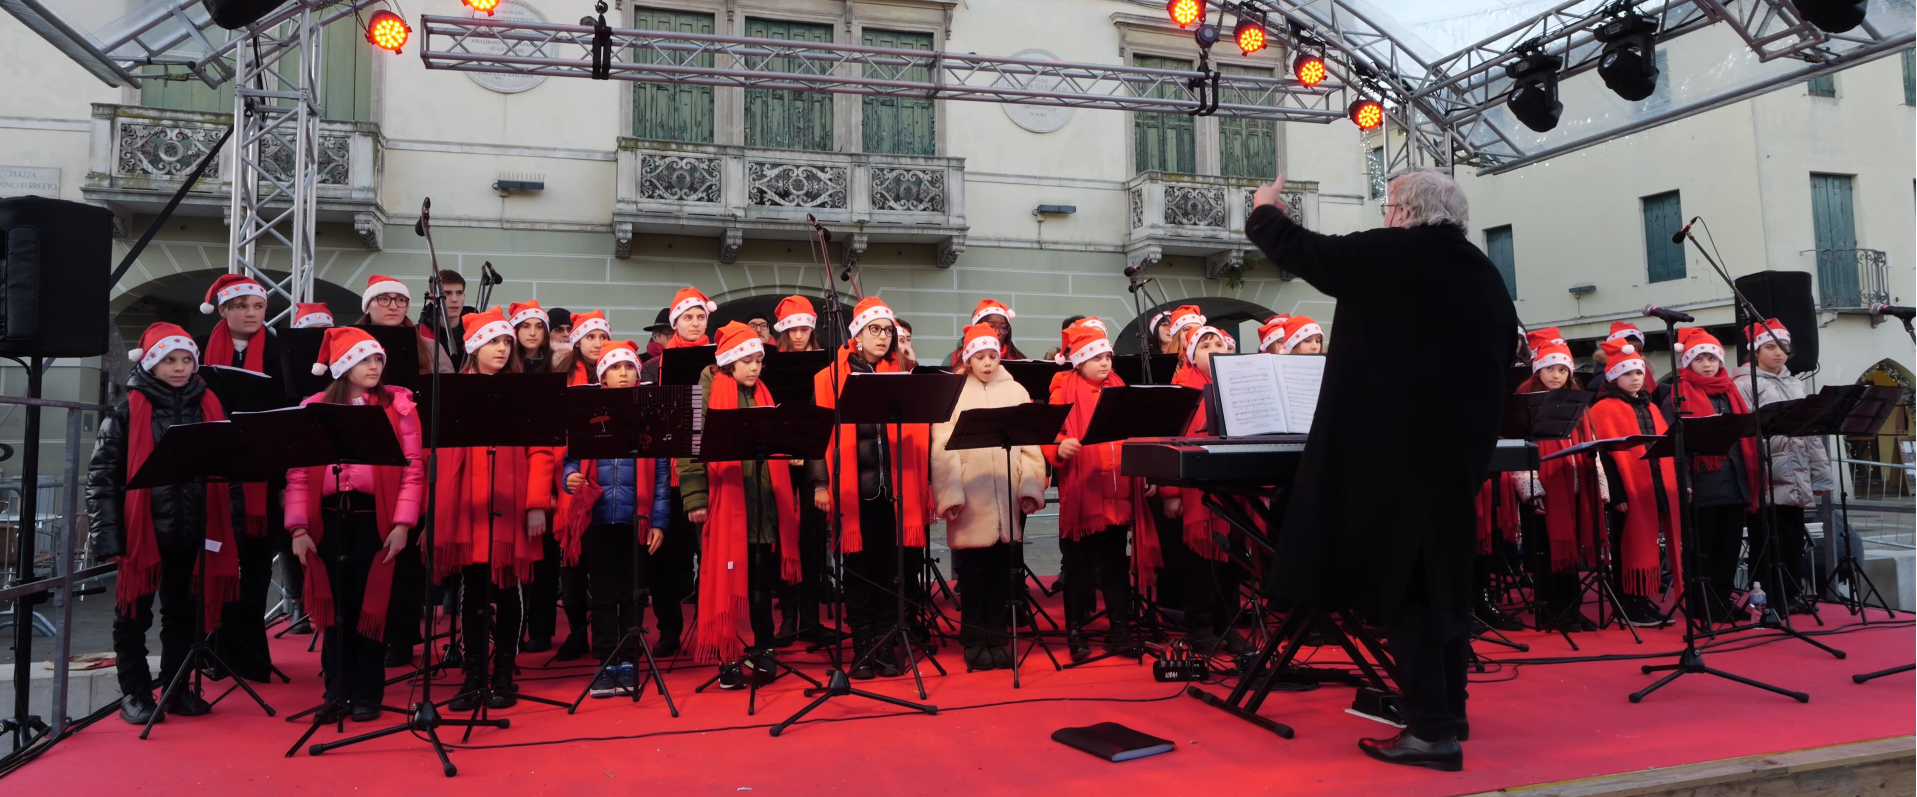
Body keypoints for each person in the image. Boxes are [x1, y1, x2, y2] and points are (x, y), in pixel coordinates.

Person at [1246, 168, 1518, 770]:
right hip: (1458, 459)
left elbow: (1303, 251)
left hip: (1395, 457)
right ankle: (1450, 710)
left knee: (1407, 589)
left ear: (1403, 212)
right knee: (1444, 582)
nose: (1387, 216)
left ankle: (1430, 733)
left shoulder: (1392, 253)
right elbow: (1506, 354)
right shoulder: (1483, 273)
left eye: (1390, 207)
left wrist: (1265, 210)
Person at [89, 323, 245, 725]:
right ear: (151, 363)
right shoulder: (126, 412)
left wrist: (233, 529)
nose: (179, 368)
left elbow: (229, 475)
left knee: (183, 616)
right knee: (133, 618)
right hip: (142, 535)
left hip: (193, 531)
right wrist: (107, 537)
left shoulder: (209, 406)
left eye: (186, 360)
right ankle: (135, 692)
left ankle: (176, 688)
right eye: (169, 360)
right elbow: (102, 478)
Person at [283, 327, 426, 722]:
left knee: (370, 608)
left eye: (378, 359)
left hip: (374, 519)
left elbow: (412, 471)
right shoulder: (314, 408)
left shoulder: (398, 407)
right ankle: (336, 692)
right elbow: (298, 474)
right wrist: (298, 529)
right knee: (335, 610)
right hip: (328, 519)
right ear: (344, 366)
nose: (375, 366)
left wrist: (403, 525)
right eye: (365, 360)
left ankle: (367, 693)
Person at [807, 297, 932, 679]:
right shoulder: (829, 378)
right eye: (874, 329)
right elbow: (816, 435)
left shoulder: (901, 376)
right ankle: (862, 645)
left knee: (892, 570)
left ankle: (885, 642)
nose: (882, 337)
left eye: (887, 330)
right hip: (853, 493)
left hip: (894, 491)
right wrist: (821, 483)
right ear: (856, 336)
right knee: (859, 572)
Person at [433, 307, 552, 710]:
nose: (501, 349)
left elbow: (540, 451)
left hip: (511, 507)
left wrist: (536, 505)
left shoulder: (523, 392)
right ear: (474, 347)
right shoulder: (454, 392)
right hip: (468, 509)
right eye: (492, 342)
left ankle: (503, 672)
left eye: (505, 342)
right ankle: (473, 674)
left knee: (509, 590)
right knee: (473, 594)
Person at [682, 323, 802, 687]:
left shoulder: (764, 394)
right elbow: (691, 451)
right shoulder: (705, 393)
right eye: (747, 360)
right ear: (729, 362)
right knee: (728, 580)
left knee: (761, 586)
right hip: (725, 507)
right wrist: (696, 498)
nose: (754, 367)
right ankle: (728, 655)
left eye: (758, 360)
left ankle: (764, 649)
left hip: (761, 507)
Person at [931, 325, 1046, 671]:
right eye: (979, 356)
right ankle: (974, 639)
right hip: (971, 497)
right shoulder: (954, 393)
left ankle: (998, 638)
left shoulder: (1016, 390)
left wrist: (1030, 487)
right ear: (968, 358)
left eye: (992, 356)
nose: (987, 363)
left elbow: (1031, 447)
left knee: (1001, 572)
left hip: (1006, 497)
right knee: (973, 573)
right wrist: (950, 492)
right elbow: (942, 448)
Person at [561, 341, 672, 696]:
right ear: (602, 375)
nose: (622, 374)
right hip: (597, 519)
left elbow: (661, 475)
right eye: (614, 368)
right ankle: (606, 659)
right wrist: (570, 477)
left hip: (636, 520)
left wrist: (659, 521)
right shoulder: (587, 412)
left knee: (633, 594)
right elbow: (570, 459)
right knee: (603, 594)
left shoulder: (649, 413)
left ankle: (629, 659)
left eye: (628, 368)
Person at [1047, 323, 1151, 661]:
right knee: (1078, 566)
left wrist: (1145, 470)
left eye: (1108, 356)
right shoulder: (1063, 389)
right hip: (1084, 491)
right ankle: (1075, 631)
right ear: (1079, 361)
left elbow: (1136, 433)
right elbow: (1050, 432)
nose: (1105, 362)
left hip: (1117, 491)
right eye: (1096, 357)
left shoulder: (1119, 387)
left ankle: (1120, 630)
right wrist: (1059, 447)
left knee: (1115, 565)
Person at [192, 275, 279, 682]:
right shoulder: (197, 351)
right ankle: (213, 650)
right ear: (224, 310)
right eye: (242, 306)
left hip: (262, 477)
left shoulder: (278, 352)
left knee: (257, 571)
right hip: (214, 478)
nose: (251, 313)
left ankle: (251, 657)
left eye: (258, 307)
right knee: (214, 566)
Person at [1155, 320, 1248, 653]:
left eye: (1219, 345)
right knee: (1201, 565)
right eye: (1206, 346)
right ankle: (1200, 627)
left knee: (1232, 562)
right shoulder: (1182, 390)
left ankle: (1228, 626)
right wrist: (1170, 493)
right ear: (1192, 355)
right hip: (1197, 490)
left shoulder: (1236, 385)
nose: (1215, 351)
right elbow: (1168, 443)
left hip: (1231, 485)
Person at [1662, 327, 1761, 623]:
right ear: (1688, 362)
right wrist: (1685, 482)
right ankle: (1701, 601)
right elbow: (1671, 446)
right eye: (1700, 359)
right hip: (1702, 485)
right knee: (1702, 549)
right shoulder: (1677, 395)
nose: (1707, 364)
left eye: (1712, 358)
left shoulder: (1731, 391)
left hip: (1734, 482)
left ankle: (1722, 598)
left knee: (1729, 547)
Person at [638, 287, 717, 658]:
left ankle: (712, 630)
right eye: (688, 317)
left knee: (711, 555)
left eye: (700, 316)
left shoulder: (719, 362)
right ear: (674, 324)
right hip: (668, 472)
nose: (695, 323)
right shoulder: (652, 368)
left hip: (708, 468)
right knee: (666, 560)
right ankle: (669, 630)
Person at [1734, 318, 1832, 615]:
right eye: (1771, 347)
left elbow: (1810, 434)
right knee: (1766, 538)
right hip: (1767, 471)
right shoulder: (1744, 384)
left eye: (1783, 347)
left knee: (1792, 537)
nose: (1779, 352)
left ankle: (1792, 592)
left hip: (1796, 470)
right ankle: (1768, 596)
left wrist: (1820, 475)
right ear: (1755, 351)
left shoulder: (1795, 383)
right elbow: (1744, 430)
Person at [1511, 341, 1607, 630]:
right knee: (1547, 550)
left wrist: (1600, 485)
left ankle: (1572, 607)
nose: (1556, 375)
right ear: (1538, 370)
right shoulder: (1525, 401)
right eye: (1550, 368)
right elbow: (1517, 448)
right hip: (1544, 487)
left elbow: (1590, 443)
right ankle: (1554, 608)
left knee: (1570, 551)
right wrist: (1530, 487)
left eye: (1563, 370)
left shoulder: (1577, 403)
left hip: (1574, 484)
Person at [1587, 338, 1681, 628]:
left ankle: (1641, 597)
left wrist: (1677, 484)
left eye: (1639, 372)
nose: (1635, 378)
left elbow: (1664, 448)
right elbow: (1604, 455)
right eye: (1627, 373)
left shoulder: (1649, 406)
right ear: (1614, 377)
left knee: (1649, 544)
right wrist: (1617, 494)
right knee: (1627, 547)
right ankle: (1627, 600)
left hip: (1653, 487)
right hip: (1627, 492)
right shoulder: (1604, 408)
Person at [417, 269, 473, 373]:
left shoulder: (478, 329)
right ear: (432, 298)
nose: (454, 299)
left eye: (459, 293)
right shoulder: (418, 334)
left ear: (464, 296)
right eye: (447, 293)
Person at [949, 299, 1028, 365]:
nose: (997, 332)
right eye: (991, 327)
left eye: (1003, 327)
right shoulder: (957, 357)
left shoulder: (1017, 359)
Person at [566, 310, 613, 387]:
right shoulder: (564, 370)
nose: (598, 344)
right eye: (591, 337)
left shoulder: (618, 368)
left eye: (603, 337)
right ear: (577, 342)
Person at [509, 301, 558, 374]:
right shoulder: (503, 364)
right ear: (515, 330)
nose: (533, 333)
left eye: (539, 327)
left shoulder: (559, 364)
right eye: (526, 326)